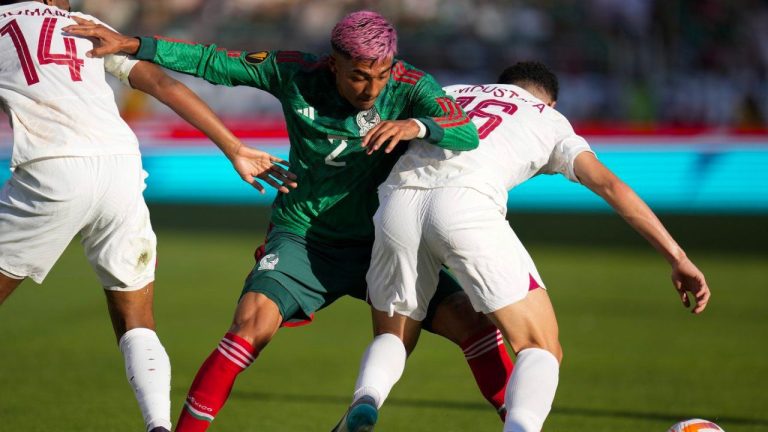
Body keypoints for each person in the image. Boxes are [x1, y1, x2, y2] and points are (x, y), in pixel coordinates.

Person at [64, 10, 518, 431]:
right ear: (333, 63)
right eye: (359, 76)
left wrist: (415, 126)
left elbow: (464, 131)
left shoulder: (412, 85)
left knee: (474, 326)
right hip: (305, 236)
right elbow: (213, 62)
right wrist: (134, 44)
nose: (371, 89)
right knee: (249, 325)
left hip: (385, 241)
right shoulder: (295, 72)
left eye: (380, 75)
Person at [332, 61, 712, 432]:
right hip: (466, 205)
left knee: (394, 335)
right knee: (539, 345)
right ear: (551, 102)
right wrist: (677, 257)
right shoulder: (551, 120)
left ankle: (367, 398)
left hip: (396, 204)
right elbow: (611, 186)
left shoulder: (452, 92)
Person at [0, 1, 295, 431]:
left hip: (53, 164)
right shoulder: (87, 24)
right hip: (120, 166)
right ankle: (159, 424)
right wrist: (233, 147)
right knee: (136, 320)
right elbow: (159, 81)